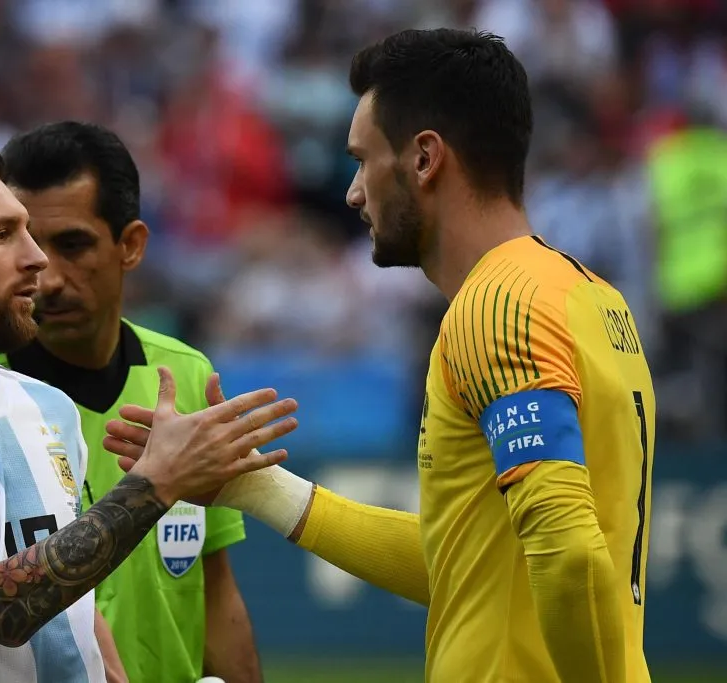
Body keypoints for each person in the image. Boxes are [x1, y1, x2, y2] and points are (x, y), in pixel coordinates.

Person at [105, 28, 655, 683]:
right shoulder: (593, 299)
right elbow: (459, 563)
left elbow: (567, 550)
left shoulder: (499, 303)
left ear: (424, 159)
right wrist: (257, 487)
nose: (353, 192)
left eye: (363, 160)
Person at [0, 140, 299, 683]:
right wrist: (158, 482)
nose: (37, 259)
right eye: (2, 235)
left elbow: (68, 601)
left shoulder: (46, 408)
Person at [0, 121, 262, 683]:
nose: (48, 279)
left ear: (131, 245)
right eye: (28, 247)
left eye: (72, 245)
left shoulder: (187, 378)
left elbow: (217, 592)